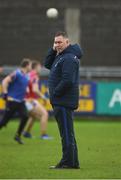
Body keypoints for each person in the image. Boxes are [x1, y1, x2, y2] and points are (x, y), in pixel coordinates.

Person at [44, 31, 83, 169]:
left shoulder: (68, 58)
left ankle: (67, 163)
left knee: (66, 134)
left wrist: (55, 94)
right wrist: (53, 49)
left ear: (67, 42)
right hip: (61, 101)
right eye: (55, 42)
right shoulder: (61, 56)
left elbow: (68, 81)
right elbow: (47, 64)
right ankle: (73, 162)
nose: (57, 45)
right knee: (67, 133)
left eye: (60, 42)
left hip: (63, 101)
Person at [0, 59, 31, 144]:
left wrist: (26, 90)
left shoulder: (27, 76)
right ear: (27, 65)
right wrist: (5, 93)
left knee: (25, 116)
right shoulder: (16, 73)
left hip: (21, 102)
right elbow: (4, 81)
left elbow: (23, 85)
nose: (30, 67)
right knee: (3, 122)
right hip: (12, 101)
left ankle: (18, 136)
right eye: (30, 65)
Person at [23, 60, 51, 140]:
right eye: (39, 67)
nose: (40, 68)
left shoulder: (27, 75)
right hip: (30, 100)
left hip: (24, 99)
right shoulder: (35, 75)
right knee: (44, 114)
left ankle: (26, 133)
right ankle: (43, 135)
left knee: (33, 116)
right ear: (36, 67)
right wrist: (43, 97)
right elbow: (35, 90)